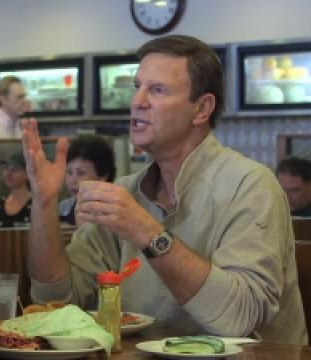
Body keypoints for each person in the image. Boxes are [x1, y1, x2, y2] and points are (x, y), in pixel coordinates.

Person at [22, 35, 306, 344]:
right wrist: (44, 204)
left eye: (156, 89)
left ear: (202, 108)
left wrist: (147, 232)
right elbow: (60, 302)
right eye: (137, 87)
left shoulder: (250, 185)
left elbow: (239, 317)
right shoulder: (126, 192)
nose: (137, 101)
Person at [59, 135, 116, 225]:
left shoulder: (114, 210)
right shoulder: (63, 207)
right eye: (69, 172)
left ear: (103, 175)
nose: (72, 180)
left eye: (81, 173)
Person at [0, 151, 31, 227]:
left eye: (15, 169)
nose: (8, 173)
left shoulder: (37, 205)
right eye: (6, 168)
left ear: (28, 174)